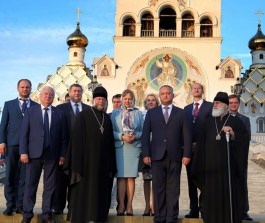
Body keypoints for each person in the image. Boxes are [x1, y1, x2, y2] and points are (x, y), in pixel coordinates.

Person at [191, 92, 249, 223]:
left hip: (229, 171)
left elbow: (244, 142)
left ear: (226, 106)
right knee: (210, 199)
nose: (215, 105)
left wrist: (233, 134)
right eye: (214, 103)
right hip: (210, 170)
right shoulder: (208, 123)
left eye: (217, 103)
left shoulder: (236, 122)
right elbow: (200, 146)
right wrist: (199, 165)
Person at [63, 86, 116, 223]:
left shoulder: (107, 118)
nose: (101, 101)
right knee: (85, 193)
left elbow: (110, 143)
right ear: (93, 100)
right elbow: (76, 140)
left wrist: (111, 164)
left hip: (102, 165)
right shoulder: (84, 115)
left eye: (103, 99)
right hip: (86, 164)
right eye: (98, 99)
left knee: (100, 192)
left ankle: (97, 217)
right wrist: (77, 163)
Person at [142, 85, 191, 223]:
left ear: (172, 95)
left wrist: (186, 154)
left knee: (173, 188)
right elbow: (146, 134)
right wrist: (146, 153)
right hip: (156, 156)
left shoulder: (181, 113)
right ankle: (159, 217)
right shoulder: (152, 113)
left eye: (168, 93)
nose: (165, 95)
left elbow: (186, 135)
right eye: (162, 93)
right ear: (159, 95)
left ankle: (171, 217)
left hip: (175, 156)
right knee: (158, 188)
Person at [19, 86, 67, 223]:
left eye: (51, 95)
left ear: (53, 97)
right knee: (30, 185)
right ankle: (27, 214)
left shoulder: (59, 113)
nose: (48, 96)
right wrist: (23, 152)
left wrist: (62, 155)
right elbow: (24, 134)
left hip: (52, 155)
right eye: (45, 94)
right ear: (40, 96)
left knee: (50, 186)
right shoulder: (30, 111)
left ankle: (47, 214)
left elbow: (63, 137)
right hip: (33, 155)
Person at [0, 79, 38, 215]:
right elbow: (3, 125)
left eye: (27, 87)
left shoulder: (36, 106)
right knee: (10, 176)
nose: (25, 89)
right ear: (18, 88)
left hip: (28, 148)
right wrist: (2, 143)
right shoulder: (8, 105)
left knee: (24, 177)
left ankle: (20, 205)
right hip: (12, 145)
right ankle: (10, 205)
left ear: (31, 89)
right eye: (22, 87)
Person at [52, 84, 90, 215]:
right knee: (61, 181)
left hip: (81, 153)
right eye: (74, 91)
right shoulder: (60, 108)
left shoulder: (88, 109)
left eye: (79, 91)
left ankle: (74, 207)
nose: (77, 93)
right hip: (64, 152)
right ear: (69, 93)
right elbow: (56, 131)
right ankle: (58, 208)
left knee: (77, 181)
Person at [111, 89, 143, 216]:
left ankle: (129, 205)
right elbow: (112, 131)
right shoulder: (115, 114)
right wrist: (121, 136)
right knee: (121, 178)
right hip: (121, 147)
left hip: (134, 147)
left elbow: (143, 130)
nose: (127, 101)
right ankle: (121, 206)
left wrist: (136, 136)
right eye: (125, 99)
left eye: (130, 99)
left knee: (131, 177)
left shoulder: (139, 113)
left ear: (133, 99)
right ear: (122, 100)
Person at [184, 83, 212, 218]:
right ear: (191, 91)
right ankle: (193, 209)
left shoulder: (210, 107)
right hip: (189, 151)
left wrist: (200, 144)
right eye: (194, 88)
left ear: (202, 91)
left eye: (198, 88)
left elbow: (211, 129)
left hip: (204, 151)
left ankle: (205, 208)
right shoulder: (186, 109)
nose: (196, 90)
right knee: (191, 181)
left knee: (204, 180)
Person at [229, 94, 252, 221]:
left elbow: (246, 137)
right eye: (231, 102)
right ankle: (230, 209)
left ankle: (244, 211)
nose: (233, 105)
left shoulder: (244, 119)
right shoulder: (224, 119)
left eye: (235, 103)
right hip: (226, 157)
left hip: (240, 156)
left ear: (238, 104)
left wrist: (234, 136)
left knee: (242, 183)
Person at [141, 93, 160, 216]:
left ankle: (155, 206)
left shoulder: (161, 114)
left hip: (158, 151)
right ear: (145, 103)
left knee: (156, 180)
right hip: (146, 151)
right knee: (147, 179)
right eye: (148, 100)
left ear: (157, 103)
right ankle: (147, 206)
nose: (151, 102)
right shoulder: (141, 115)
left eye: (153, 100)